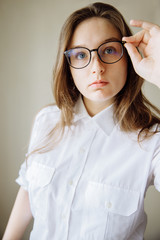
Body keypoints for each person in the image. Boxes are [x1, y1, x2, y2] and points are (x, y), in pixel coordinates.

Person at [2, 2, 160, 240]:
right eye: (80, 54)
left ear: (128, 56)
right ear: (69, 67)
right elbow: (27, 193)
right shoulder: (46, 121)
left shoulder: (151, 140)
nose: (96, 68)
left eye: (108, 50)